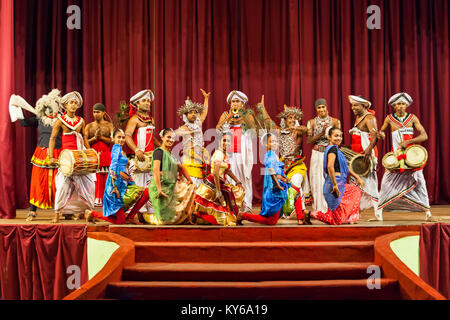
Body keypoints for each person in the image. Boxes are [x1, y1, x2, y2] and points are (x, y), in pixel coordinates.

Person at [377, 92, 432, 221]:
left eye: (403, 104)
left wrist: (409, 142)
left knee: (420, 181)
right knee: (386, 181)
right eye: (398, 104)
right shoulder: (389, 118)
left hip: (412, 157)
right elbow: (381, 132)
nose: (401, 106)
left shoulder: (412, 118)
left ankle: (427, 210)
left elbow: (424, 135)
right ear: (394, 106)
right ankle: (379, 209)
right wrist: (381, 134)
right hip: (396, 156)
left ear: (406, 105)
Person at [10, 89, 62, 221]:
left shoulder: (61, 121)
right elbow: (23, 123)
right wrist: (17, 110)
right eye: (47, 108)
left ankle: (63, 210)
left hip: (58, 153)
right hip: (41, 153)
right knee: (37, 182)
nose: (49, 110)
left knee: (61, 183)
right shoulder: (40, 119)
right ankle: (32, 211)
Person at [255, 96, 311, 213]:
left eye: (294, 118)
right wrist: (263, 108)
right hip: (282, 165)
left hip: (296, 164)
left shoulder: (298, 131)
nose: (291, 120)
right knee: (281, 187)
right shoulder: (280, 131)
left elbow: (306, 130)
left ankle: (302, 212)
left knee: (295, 185)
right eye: (289, 118)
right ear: (284, 120)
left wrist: (296, 127)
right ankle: (285, 211)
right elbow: (268, 122)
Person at [238, 133, 307, 225]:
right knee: (271, 221)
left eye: (276, 141)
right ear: (266, 144)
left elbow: (277, 173)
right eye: (272, 142)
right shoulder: (270, 156)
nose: (275, 143)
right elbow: (271, 171)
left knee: (296, 193)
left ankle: (301, 219)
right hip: (275, 191)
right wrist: (278, 183)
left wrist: (284, 179)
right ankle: (243, 216)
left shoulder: (274, 155)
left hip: (278, 188)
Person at [48, 91, 95, 223]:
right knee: (63, 185)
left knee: (89, 185)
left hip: (80, 157)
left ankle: (87, 211)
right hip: (66, 159)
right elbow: (52, 138)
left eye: (75, 103)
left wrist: (91, 153)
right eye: (71, 103)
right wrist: (51, 156)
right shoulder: (60, 121)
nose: (73, 105)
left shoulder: (81, 121)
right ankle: (57, 213)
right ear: (66, 105)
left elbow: (84, 138)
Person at [85, 129, 150, 224]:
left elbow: (124, 169)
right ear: (113, 139)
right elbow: (113, 167)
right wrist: (114, 187)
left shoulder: (121, 150)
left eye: (123, 137)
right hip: (116, 186)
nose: (121, 139)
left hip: (123, 184)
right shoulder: (116, 147)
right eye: (118, 137)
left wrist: (130, 181)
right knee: (120, 221)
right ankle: (92, 213)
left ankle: (130, 217)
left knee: (146, 193)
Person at [305, 127, 364, 225]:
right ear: (329, 137)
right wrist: (335, 185)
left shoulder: (336, 149)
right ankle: (308, 213)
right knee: (334, 221)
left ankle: (349, 217)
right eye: (336, 136)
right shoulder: (332, 149)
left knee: (355, 190)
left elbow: (345, 166)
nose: (339, 138)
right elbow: (330, 166)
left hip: (337, 183)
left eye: (340, 136)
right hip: (334, 184)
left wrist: (357, 177)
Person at [142, 128, 196, 225]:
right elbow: (156, 170)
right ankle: (146, 217)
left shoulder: (170, 154)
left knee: (192, 187)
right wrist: (159, 190)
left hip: (171, 186)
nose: (171, 140)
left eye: (173, 138)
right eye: (168, 137)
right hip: (161, 186)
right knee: (164, 221)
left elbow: (181, 167)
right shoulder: (159, 152)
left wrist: (189, 180)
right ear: (162, 137)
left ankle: (188, 215)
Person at [216, 90, 257, 213]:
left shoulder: (248, 114)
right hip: (229, 151)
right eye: (233, 101)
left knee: (244, 177)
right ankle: (231, 205)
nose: (235, 104)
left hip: (242, 151)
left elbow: (253, 129)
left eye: (237, 101)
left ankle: (245, 206)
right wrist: (229, 117)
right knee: (229, 177)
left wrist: (242, 114)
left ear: (242, 103)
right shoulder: (225, 114)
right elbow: (218, 129)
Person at [193, 132, 245, 226]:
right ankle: (198, 216)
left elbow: (228, 170)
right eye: (224, 140)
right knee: (221, 219)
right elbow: (216, 173)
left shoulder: (225, 155)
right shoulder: (219, 154)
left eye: (229, 141)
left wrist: (238, 182)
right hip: (213, 185)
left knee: (237, 191)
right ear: (219, 141)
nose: (226, 143)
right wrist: (218, 192)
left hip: (220, 184)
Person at [125, 89, 161, 212]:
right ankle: (136, 213)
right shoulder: (134, 119)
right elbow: (127, 136)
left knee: (151, 186)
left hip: (150, 159)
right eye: (144, 101)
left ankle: (149, 211)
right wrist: (136, 150)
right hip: (140, 159)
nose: (147, 103)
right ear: (137, 104)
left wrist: (161, 146)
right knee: (139, 187)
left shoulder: (151, 119)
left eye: (148, 101)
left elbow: (152, 138)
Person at [348, 95, 382, 220]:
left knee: (370, 184)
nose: (353, 108)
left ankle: (378, 213)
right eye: (352, 105)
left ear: (364, 105)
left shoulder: (369, 118)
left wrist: (367, 152)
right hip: (357, 156)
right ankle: (356, 212)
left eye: (356, 105)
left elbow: (375, 136)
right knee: (356, 184)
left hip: (366, 156)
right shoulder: (358, 117)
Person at [306, 98, 341, 213]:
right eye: (319, 107)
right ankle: (319, 207)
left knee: (330, 179)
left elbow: (339, 138)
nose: (321, 109)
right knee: (316, 180)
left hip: (330, 153)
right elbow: (308, 140)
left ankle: (330, 207)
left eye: (323, 107)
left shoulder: (335, 121)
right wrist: (322, 132)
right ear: (316, 109)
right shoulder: (311, 122)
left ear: (327, 108)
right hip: (317, 153)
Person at [175, 89, 211, 187]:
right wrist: (188, 132)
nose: (194, 114)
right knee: (191, 184)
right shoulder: (184, 127)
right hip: (189, 158)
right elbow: (175, 133)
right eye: (191, 112)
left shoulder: (198, 124)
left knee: (200, 185)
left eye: (195, 112)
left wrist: (206, 99)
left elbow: (204, 113)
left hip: (199, 156)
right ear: (186, 115)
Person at [84, 103, 114, 206]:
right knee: (94, 177)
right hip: (93, 154)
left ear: (103, 113)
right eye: (94, 112)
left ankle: (106, 198)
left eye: (98, 112)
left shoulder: (109, 125)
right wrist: (94, 139)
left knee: (106, 176)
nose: (95, 114)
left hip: (106, 153)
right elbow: (85, 141)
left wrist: (101, 138)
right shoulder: (89, 126)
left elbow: (113, 140)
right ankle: (95, 199)